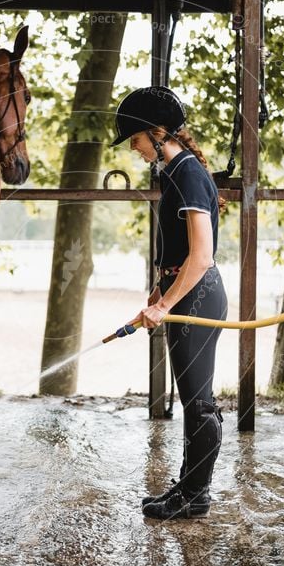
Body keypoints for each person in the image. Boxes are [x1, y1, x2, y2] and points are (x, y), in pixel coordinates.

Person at [110, 86, 228, 521]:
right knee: (191, 399)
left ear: (158, 133)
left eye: (137, 140)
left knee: (198, 402)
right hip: (184, 293)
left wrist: (165, 305)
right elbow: (179, 253)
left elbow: (201, 256)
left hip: (198, 296)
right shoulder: (174, 172)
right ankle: (187, 486)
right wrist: (160, 292)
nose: (135, 149)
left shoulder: (189, 174)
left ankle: (195, 496)